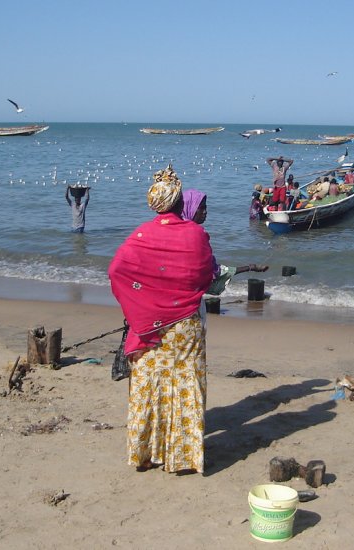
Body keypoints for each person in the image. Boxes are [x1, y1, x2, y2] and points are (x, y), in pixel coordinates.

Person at [108, 165, 214, 475]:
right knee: (186, 385)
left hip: (148, 327)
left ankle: (144, 455)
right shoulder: (195, 234)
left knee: (148, 386)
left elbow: (117, 272)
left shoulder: (140, 235)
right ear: (180, 202)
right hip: (186, 326)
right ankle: (182, 459)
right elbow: (204, 276)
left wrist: (139, 309)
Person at [182, 188, 268, 294]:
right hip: (188, 298)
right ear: (190, 208)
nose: (205, 212)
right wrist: (251, 267)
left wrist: (250, 268)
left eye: (206, 207)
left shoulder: (175, 231)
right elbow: (215, 271)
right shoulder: (195, 235)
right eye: (201, 208)